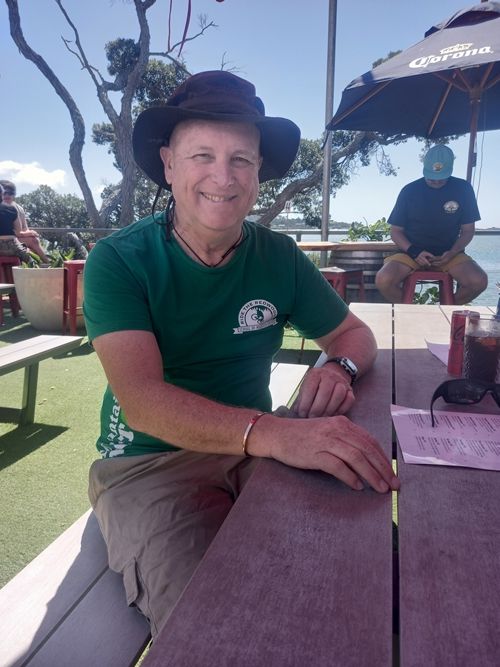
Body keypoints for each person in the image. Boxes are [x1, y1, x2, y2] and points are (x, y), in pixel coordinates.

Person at [83, 70, 400, 638]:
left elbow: (355, 334)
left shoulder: (279, 256)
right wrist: (276, 434)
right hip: (148, 465)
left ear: (258, 173)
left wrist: (340, 366)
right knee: (209, 623)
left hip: (259, 448)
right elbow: (143, 403)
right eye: (202, 156)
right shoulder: (120, 260)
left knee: (360, 559)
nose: (223, 177)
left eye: (241, 160)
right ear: (169, 164)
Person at [375, 145, 488, 305]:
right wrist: (415, 252)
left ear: (450, 170)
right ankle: (413, 312)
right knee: (383, 280)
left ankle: (444, 310)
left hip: (449, 254)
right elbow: (396, 231)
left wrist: (452, 252)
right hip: (410, 253)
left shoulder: (464, 189)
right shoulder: (409, 191)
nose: (436, 181)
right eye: (431, 178)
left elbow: (468, 231)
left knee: (479, 281)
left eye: (441, 178)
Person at [0, 180, 50, 262]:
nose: (7, 195)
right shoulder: (7, 209)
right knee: (32, 242)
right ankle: (46, 263)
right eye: (5, 192)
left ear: (14, 194)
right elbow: (14, 232)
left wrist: (29, 233)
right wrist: (28, 233)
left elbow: (24, 229)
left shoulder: (18, 208)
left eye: (11, 193)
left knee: (33, 240)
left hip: (14, 240)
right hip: (8, 241)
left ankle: (45, 264)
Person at [0, 183, 32, 263]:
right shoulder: (12, 208)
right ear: (2, 194)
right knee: (30, 260)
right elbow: (18, 231)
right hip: (12, 246)